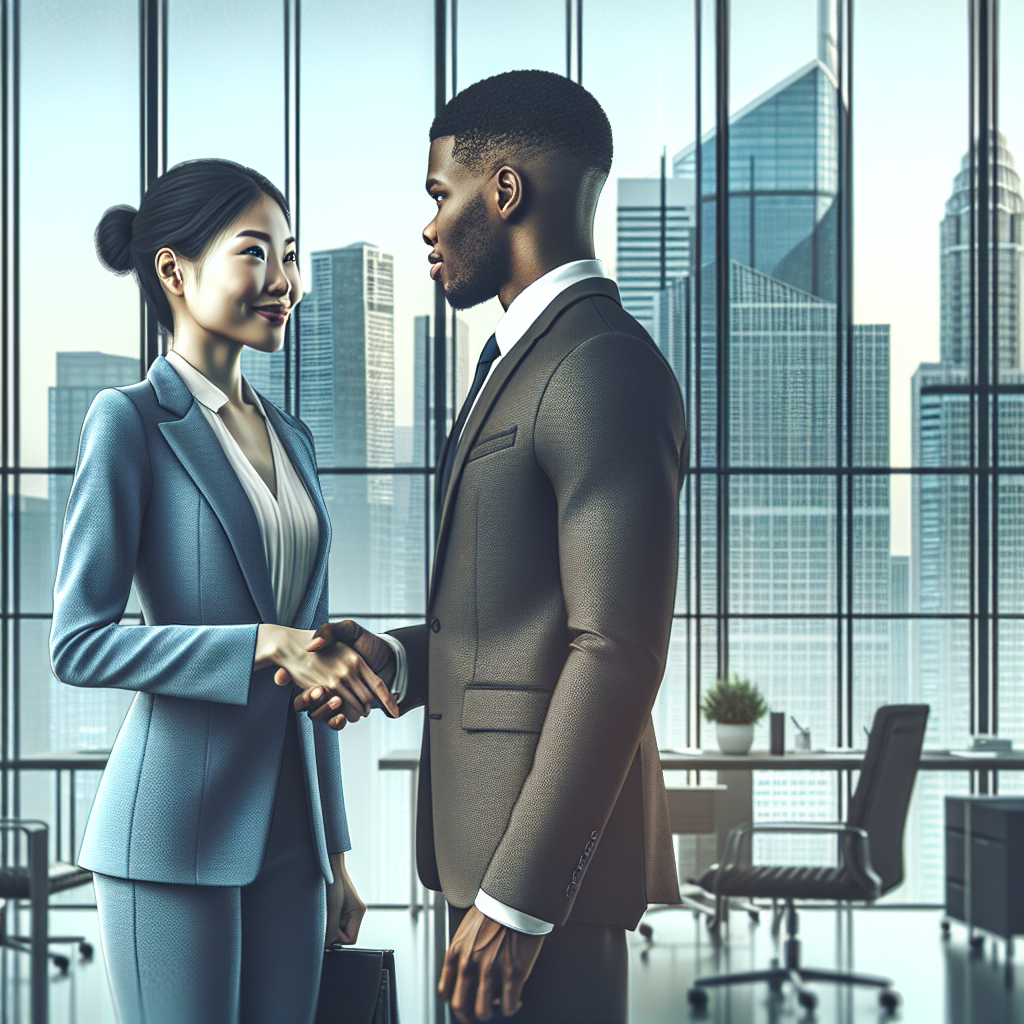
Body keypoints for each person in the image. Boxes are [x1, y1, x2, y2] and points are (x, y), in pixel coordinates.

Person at [294, 70, 686, 1023]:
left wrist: (520, 901)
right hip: (489, 862)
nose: (428, 227)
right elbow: (519, 624)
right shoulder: (525, 360)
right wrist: (392, 657)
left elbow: (616, 650)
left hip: (539, 889)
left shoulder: (598, 365)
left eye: (440, 195)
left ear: (503, 192)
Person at [49, 158, 397, 1024]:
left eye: (291, 254)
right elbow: (78, 641)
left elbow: (311, 649)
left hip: (292, 830)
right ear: (174, 271)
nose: (285, 282)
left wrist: (336, 852)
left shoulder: (293, 437)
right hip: (173, 831)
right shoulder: (129, 421)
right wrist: (254, 643)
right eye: (255, 254)